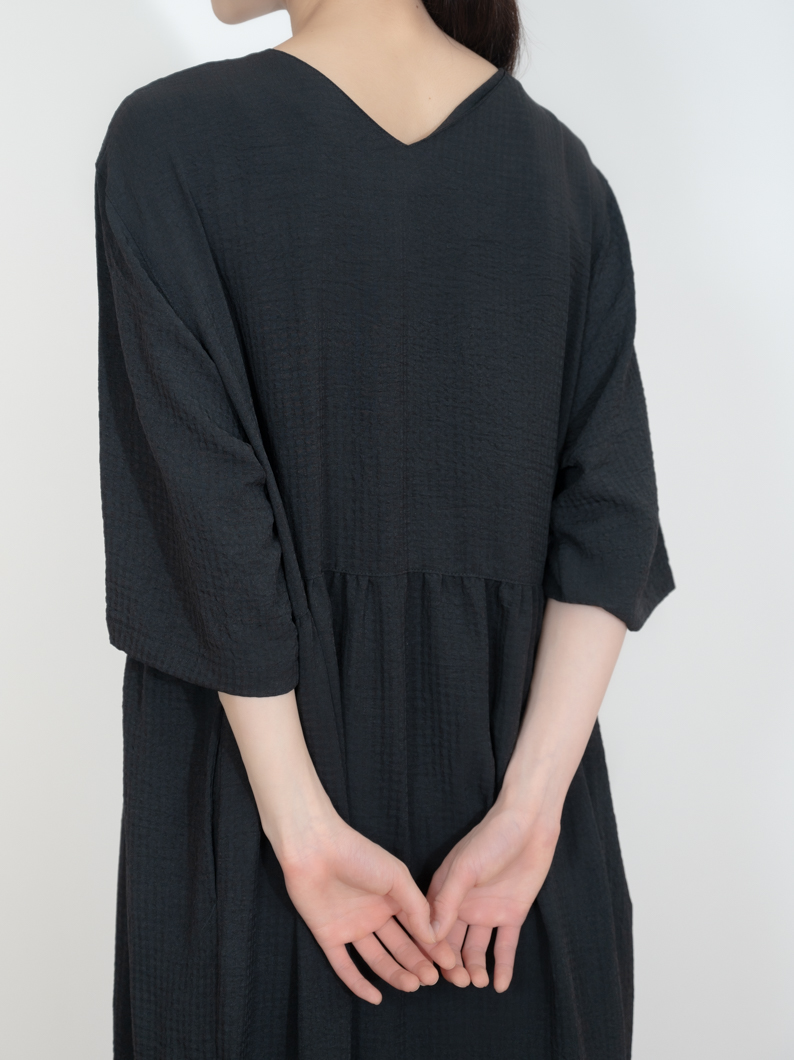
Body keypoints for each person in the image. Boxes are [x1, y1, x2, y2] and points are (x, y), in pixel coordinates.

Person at [95, 0, 674, 1055]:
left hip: (263, 846)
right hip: (510, 890)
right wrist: (529, 814)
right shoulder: (562, 176)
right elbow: (611, 522)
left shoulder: (167, 143)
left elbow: (208, 523)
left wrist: (303, 832)